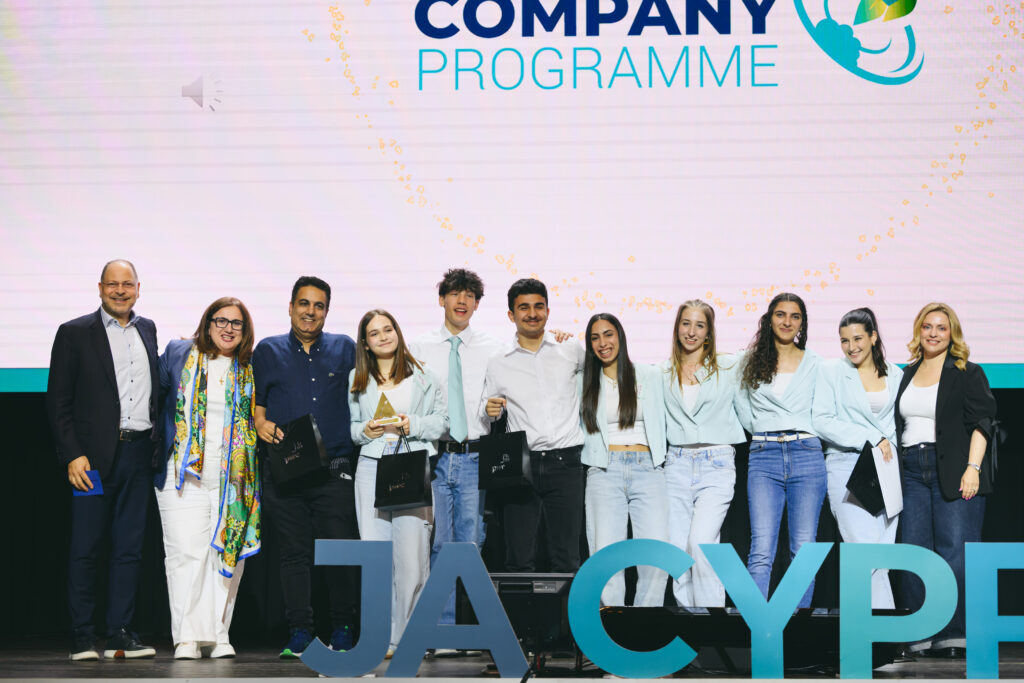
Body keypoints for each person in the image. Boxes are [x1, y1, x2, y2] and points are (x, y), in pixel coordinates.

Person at [46, 259, 159, 660]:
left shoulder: (148, 329)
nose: (120, 291)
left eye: (127, 284)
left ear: (138, 288)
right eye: (112, 284)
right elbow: (58, 401)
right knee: (86, 547)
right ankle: (82, 636)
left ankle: (119, 633)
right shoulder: (75, 332)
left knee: (130, 549)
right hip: (91, 461)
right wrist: (73, 454)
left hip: (139, 455)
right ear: (99, 288)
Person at [252, 276, 359, 658]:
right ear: (290, 306)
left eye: (318, 305)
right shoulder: (267, 350)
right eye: (304, 303)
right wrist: (260, 423)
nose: (310, 312)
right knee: (293, 554)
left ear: (327, 310)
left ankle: (343, 629)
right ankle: (300, 632)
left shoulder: (346, 348)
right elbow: (257, 406)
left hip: (335, 468)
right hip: (286, 469)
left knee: (339, 551)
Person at [155, 297, 261, 659]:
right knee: (185, 554)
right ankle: (186, 637)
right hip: (183, 470)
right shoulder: (179, 353)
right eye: (221, 321)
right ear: (208, 323)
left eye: (237, 323)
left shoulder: (252, 367)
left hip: (235, 476)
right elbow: (153, 400)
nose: (228, 329)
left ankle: (218, 634)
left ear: (245, 331)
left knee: (227, 556)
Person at [895, 302, 996, 659]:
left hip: (954, 468)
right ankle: (919, 630)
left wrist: (973, 468)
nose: (934, 333)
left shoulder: (967, 372)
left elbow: (983, 423)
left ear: (952, 333)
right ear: (918, 330)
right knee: (915, 551)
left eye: (941, 327)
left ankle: (954, 633)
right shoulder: (906, 373)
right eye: (928, 326)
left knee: (955, 552)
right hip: (910, 469)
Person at [349, 309, 446, 656]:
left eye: (388, 329)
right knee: (376, 556)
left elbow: (443, 422)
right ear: (365, 343)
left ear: (398, 332)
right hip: (371, 468)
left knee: (412, 556)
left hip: (411, 466)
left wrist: (413, 424)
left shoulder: (424, 375)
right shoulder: (357, 378)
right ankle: (381, 636)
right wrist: (365, 430)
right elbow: (352, 428)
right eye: (374, 333)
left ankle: (407, 637)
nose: (383, 337)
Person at [410, 269, 501, 636]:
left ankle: (474, 628)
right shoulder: (418, 347)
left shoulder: (493, 347)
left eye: (469, 296)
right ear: (441, 299)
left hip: (476, 455)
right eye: (454, 294)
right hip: (434, 456)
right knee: (438, 542)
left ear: (476, 304)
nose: (462, 301)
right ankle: (443, 627)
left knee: (471, 542)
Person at [482, 278, 585, 573]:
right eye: (524, 307)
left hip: (566, 463)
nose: (532, 314)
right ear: (511, 315)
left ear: (548, 311)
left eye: (539, 306)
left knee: (567, 557)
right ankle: (521, 607)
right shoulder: (498, 360)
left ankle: (567, 608)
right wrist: (489, 410)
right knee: (518, 558)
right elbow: (488, 411)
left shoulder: (570, 348)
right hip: (520, 466)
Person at [736, 292, 824, 608]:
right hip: (764, 454)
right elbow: (742, 407)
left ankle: (798, 628)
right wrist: (765, 427)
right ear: (769, 319)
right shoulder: (749, 361)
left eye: (795, 316)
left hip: (807, 453)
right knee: (761, 549)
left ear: (802, 323)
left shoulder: (815, 363)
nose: (787, 322)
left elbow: (822, 409)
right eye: (780, 314)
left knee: (804, 548)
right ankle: (757, 627)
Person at [812, 307, 902, 609]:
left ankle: (873, 626)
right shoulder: (830, 371)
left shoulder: (896, 374)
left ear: (873, 337)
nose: (851, 347)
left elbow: (897, 424)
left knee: (882, 554)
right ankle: (881, 627)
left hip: (886, 469)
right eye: (844, 340)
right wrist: (871, 437)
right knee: (863, 547)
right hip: (846, 465)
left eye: (858, 339)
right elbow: (822, 420)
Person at [661, 300, 745, 608]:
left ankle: (712, 624)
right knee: (678, 551)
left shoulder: (729, 366)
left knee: (701, 544)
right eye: (686, 323)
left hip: (717, 462)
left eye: (700, 325)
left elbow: (770, 353)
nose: (691, 331)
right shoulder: (662, 372)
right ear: (677, 327)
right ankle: (689, 622)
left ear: (709, 332)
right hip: (676, 463)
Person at [580, 313, 668, 606]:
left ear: (620, 336)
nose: (603, 343)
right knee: (605, 558)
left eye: (608, 334)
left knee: (655, 557)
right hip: (604, 469)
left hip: (648, 467)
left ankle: (645, 628)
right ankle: (612, 630)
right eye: (595, 338)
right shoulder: (584, 381)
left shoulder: (649, 374)